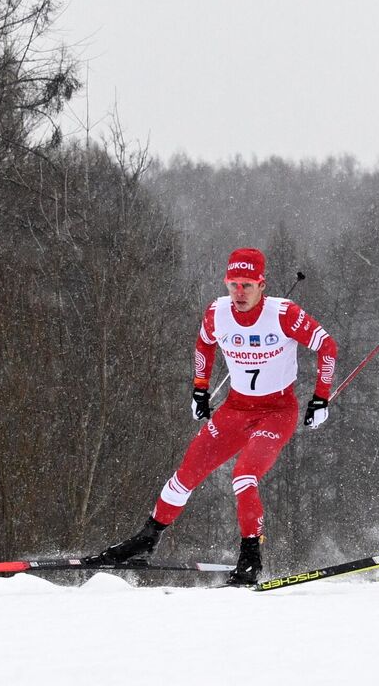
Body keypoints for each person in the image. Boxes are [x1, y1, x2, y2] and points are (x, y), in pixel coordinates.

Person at [86, 247, 338, 586]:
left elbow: (327, 347)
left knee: (244, 476)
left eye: (247, 284)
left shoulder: (284, 313)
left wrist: (320, 398)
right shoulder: (217, 313)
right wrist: (200, 389)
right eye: (233, 284)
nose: (239, 292)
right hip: (235, 408)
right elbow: (204, 344)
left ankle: (251, 557)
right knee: (186, 474)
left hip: (276, 413)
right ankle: (147, 538)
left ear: (262, 285)